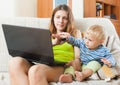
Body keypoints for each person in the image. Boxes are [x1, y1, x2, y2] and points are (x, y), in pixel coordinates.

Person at [8, 4, 81, 85]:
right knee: (14, 62)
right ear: (53, 19)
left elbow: (78, 58)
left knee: (35, 70)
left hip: (61, 67)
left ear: (69, 20)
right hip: (43, 64)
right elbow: (36, 52)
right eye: (58, 17)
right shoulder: (46, 34)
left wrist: (70, 40)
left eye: (65, 18)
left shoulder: (75, 33)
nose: (61, 21)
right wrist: (53, 43)